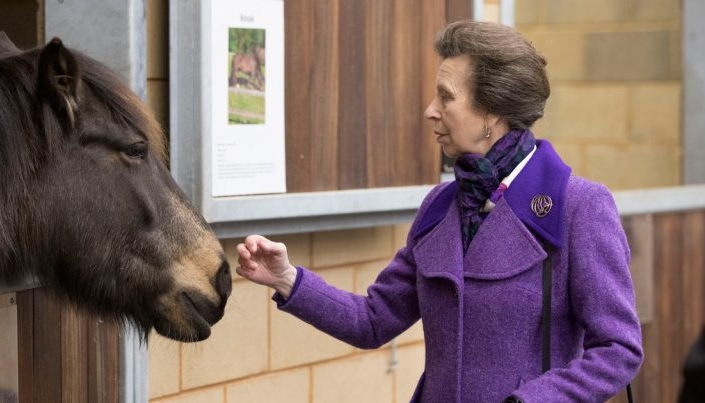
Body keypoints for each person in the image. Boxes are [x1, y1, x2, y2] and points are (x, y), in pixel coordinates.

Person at [237, 20, 643, 403]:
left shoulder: (578, 207)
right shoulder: (439, 207)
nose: (430, 110)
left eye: (446, 96)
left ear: (491, 111)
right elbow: (374, 320)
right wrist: (287, 279)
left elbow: (618, 349)